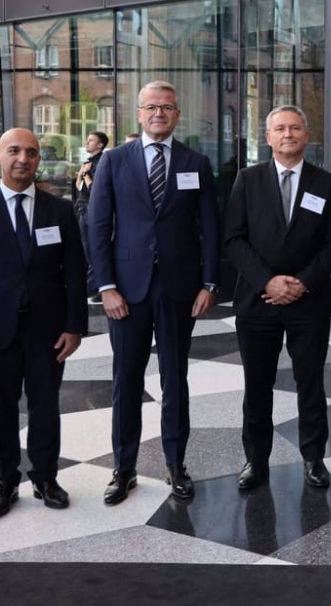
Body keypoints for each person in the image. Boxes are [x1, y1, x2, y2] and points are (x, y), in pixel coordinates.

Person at [88, 80, 220, 505]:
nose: (159, 113)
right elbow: (97, 226)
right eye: (151, 107)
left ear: (177, 114)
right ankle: (123, 468)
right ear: (139, 114)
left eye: (167, 107)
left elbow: (210, 228)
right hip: (126, 291)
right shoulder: (114, 160)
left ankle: (176, 464)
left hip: (179, 289)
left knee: (174, 379)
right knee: (126, 380)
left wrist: (209, 283)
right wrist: (106, 286)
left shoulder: (196, 162)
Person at [0, 128, 88, 518]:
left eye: (31, 152)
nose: (23, 159)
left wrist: (75, 326)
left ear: (38, 159)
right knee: (0, 408)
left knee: (46, 406)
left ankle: (46, 477)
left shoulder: (59, 210)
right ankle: (4, 482)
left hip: (48, 331)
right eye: (14, 151)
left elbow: (75, 272)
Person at [224, 105, 331, 490]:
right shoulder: (248, 180)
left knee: (310, 383)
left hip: (308, 303)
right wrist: (267, 282)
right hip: (257, 302)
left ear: (306, 135)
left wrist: (302, 283)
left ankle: (314, 459)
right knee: (257, 385)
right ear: (268, 137)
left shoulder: (326, 183)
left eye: (295, 128)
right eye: (280, 129)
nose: (288, 134)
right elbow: (233, 238)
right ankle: (255, 461)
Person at [73, 130, 107, 303]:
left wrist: (86, 174)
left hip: (91, 209)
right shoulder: (87, 163)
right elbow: (78, 187)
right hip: (82, 208)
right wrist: (82, 174)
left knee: (92, 247)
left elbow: (95, 190)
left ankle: (95, 284)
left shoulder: (102, 162)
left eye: (91, 140)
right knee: (85, 247)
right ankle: (91, 282)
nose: (87, 143)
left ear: (100, 145)